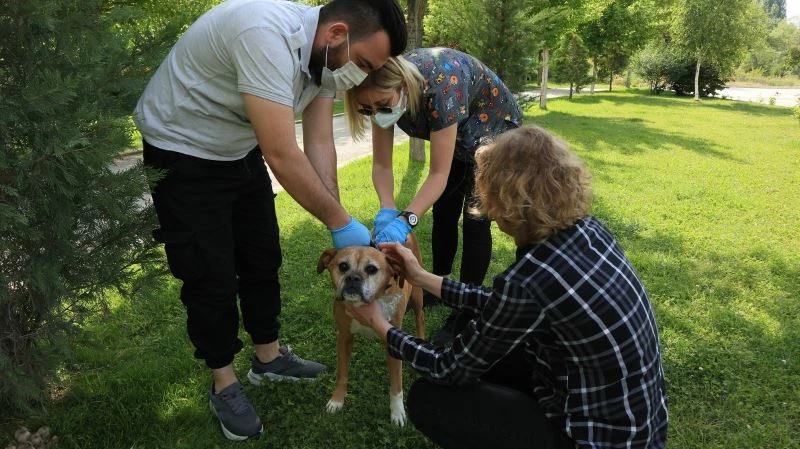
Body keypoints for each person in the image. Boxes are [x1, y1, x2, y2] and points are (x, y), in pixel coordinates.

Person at [134, 0, 406, 441]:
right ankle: (224, 382)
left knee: (262, 255)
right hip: (182, 149)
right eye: (362, 63)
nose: (360, 77)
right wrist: (341, 221)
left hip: (237, 148)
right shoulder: (263, 34)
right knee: (209, 273)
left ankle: (269, 358)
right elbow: (281, 151)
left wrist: (337, 222)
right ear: (337, 33)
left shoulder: (325, 62)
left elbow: (319, 143)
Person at [344, 126, 669, 449]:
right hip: (638, 426)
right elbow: (506, 305)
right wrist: (421, 277)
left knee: (429, 397)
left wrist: (380, 325)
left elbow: (448, 368)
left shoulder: (529, 278)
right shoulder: (590, 230)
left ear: (504, 198)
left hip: (590, 438)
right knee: (464, 340)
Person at [343, 48, 523, 343]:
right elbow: (381, 163)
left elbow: (437, 175)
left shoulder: (441, 89)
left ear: (402, 86)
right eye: (366, 109)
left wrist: (405, 221)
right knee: (443, 213)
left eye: (381, 105)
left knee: (475, 222)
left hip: (493, 132)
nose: (376, 113)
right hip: (459, 135)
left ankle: (466, 312)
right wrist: (388, 208)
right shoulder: (378, 93)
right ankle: (438, 286)